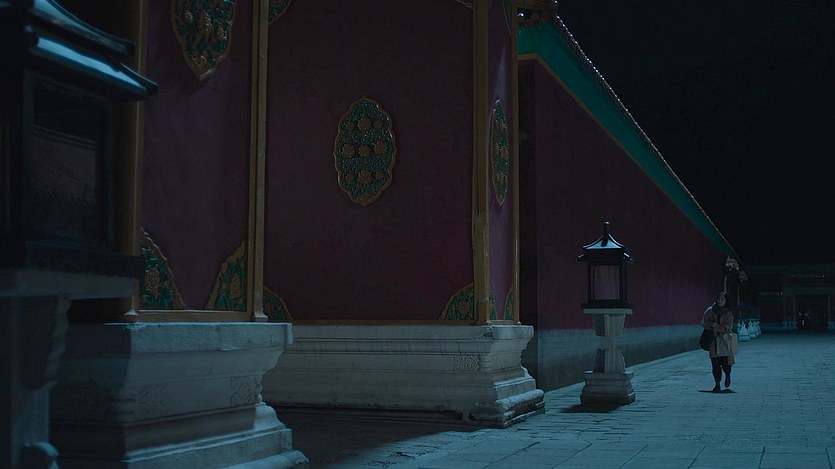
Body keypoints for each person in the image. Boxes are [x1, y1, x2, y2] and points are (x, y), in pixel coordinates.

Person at [702, 292, 735, 392]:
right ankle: (717, 384)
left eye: (722, 299)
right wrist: (711, 325)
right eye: (719, 299)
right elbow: (704, 323)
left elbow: (728, 327)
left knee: (726, 363)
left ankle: (728, 375)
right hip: (713, 341)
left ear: (726, 301)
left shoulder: (728, 313)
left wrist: (716, 326)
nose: (720, 301)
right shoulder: (710, 310)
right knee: (715, 363)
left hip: (725, 341)